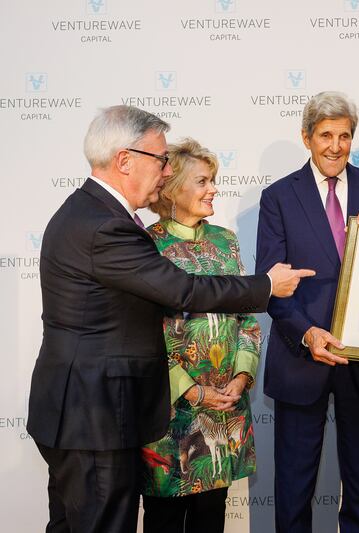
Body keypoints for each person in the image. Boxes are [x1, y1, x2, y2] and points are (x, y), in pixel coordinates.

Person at [26, 105, 313, 533]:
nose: (164, 171)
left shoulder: (87, 212)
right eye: (160, 160)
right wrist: (267, 285)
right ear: (125, 160)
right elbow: (184, 290)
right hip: (95, 418)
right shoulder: (108, 226)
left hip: (85, 413)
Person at [256, 91, 359, 533]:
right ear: (306, 138)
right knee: (294, 490)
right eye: (325, 136)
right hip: (301, 358)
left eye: (345, 136)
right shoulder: (278, 197)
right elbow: (271, 282)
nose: (336, 146)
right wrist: (307, 332)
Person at [138, 138, 261, 532]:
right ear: (173, 190)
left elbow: (247, 318)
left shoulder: (226, 241)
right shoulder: (147, 245)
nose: (214, 190)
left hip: (224, 411)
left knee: (212, 517)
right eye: (203, 182)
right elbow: (140, 332)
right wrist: (190, 390)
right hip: (170, 416)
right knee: (164, 520)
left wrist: (241, 377)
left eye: (213, 180)